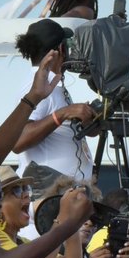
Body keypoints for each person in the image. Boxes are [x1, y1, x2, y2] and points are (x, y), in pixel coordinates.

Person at [12, 20, 97, 179]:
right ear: (60, 49)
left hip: (60, 196)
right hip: (49, 197)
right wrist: (63, 113)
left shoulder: (50, 84)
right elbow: (18, 140)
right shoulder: (36, 85)